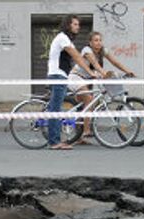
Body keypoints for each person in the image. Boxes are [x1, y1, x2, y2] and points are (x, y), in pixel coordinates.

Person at [70, 31, 135, 144]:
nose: (98, 43)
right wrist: (104, 74)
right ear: (90, 42)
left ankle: (79, 137)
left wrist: (127, 71)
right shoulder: (87, 50)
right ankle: (86, 131)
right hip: (76, 77)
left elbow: (115, 62)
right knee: (89, 100)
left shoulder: (102, 51)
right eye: (96, 40)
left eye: (100, 40)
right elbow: (95, 64)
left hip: (88, 79)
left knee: (88, 104)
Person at [46, 15, 97, 150]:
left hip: (62, 76)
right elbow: (77, 57)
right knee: (55, 110)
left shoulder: (67, 39)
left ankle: (64, 138)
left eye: (78, 24)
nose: (78, 27)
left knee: (58, 107)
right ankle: (54, 142)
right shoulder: (62, 37)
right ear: (68, 25)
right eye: (75, 24)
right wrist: (91, 73)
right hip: (57, 75)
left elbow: (76, 58)